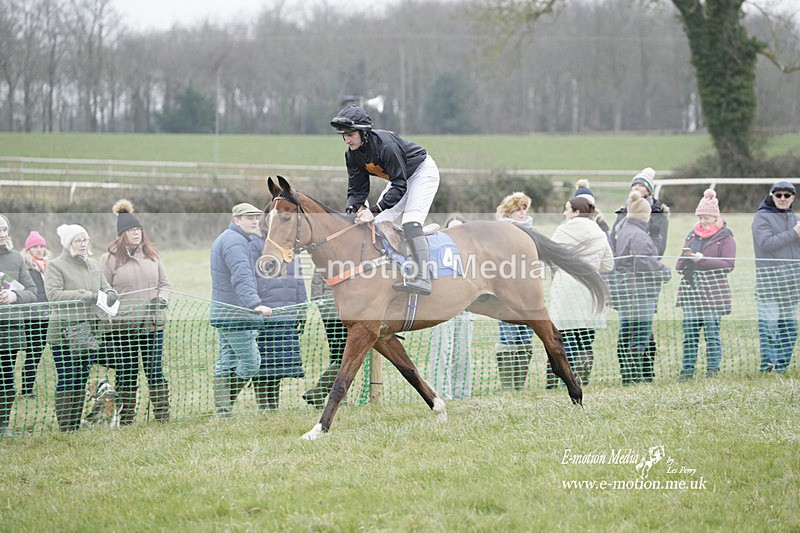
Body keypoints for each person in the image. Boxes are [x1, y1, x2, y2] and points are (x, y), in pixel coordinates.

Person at [330, 104, 440, 295]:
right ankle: (393, 271)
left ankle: (424, 277)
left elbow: (399, 186)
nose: (346, 139)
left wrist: (372, 210)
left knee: (411, 223)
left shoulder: (386, 146)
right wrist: (352, 211)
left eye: (351, 134)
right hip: (401, 179)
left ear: (364, 133)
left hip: (421, 173)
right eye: (344, 135)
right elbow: (357, 190)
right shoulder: (352, 155)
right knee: (378, 224)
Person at [100, 200, 173, 424]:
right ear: (122, 234)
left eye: (139, 229)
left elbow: (165, 284)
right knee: (127, 372)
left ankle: (162, 416)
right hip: (124, 328)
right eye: (131, 230)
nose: (137, 233)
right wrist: (107, 320)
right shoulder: (109, 259)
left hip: (152, 325)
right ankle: (126, 418)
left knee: (154, 370)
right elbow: (103, 290)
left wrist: (161, 299)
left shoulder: (153, 256)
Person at [45, 224, 118, 432]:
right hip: (64, 333)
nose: (83, 244)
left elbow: (105, 286)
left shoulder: (94, 264)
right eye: (78, 241)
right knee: (67, 377)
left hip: (89, 331)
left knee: (81, 377)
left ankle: (74, 424)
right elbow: (54, 295)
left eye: (85, 240)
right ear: (69, 244)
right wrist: (88, 295)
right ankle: (65, 426)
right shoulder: (56, 266)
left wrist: (110, 292)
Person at [210, 202, 272, 418]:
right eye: (249, 217)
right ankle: (224, 406)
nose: (255, 221)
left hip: (224, 313)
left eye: (256, 217)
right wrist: (254, 305)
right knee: (251, 362)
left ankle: (223, 412)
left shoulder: (231, 238)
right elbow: (241, 276)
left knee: (225, 362)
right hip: (236, 315)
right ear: (236, 220)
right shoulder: (235, 242)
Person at [608, 167, 669, 382]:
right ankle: (636, 378)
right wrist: (663, 272)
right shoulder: (639, 235)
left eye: (642, 185)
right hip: (640, 290)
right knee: (640, 336)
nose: (637, 188)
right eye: (635, 184)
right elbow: (644, 260)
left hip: (625, 289)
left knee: (628, 334)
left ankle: (632, 376)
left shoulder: (627, 229)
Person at [548, 197, 614, 388]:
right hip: (589, 289)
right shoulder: (598, 232)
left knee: (566, 338)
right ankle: (582, 381)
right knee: (585, 340)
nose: (564, 213)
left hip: (566, 290)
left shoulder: (562, 230)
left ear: (577, 211)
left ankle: (568, 382)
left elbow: (551, 258)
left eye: (567, 209)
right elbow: (608, 264)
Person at [676, 190, 736, 381]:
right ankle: (687, 372)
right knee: (689, 338)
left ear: (715, 216)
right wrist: (686, 260)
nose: (703, 220)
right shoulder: (692, 236)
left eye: (707, 217)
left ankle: (712, 372)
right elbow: (679, 263)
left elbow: (728, 264)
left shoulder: (726, 237)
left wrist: (702, 260)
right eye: (700, 216)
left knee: (712, 336)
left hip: (713, 296)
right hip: (691, 294)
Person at [247, 234, 307, 411]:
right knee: (263, 366)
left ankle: (273, 407)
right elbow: (252, 279)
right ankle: (263, 407)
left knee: (278, 366)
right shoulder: (256, 245)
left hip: (287, 314)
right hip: (266, 315)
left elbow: (300, 281)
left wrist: (302, 309)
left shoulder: (292, 249)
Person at [751, 181, 800, 373]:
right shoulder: (762, 217)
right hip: (770, 284)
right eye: (778, 195)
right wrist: (794, 233)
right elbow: (766, 243)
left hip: (792, 285)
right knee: (770, 328)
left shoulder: (794, 218)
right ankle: (768, 366)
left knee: (789, 329)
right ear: (772, 196)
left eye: (787, 196)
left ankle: (781, 366)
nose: (782, 199)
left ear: (792, 198)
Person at [426, 215, 473, 400]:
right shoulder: (436, 250)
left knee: (463, 354)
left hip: (465, 310)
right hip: (442, 309)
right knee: (442, 352)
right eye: (452, 229)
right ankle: (440, 394)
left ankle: (462, 394)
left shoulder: (472, 254)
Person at [0, 216, 38, 436]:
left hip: (9, 331)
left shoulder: (16, 259)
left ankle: (3, 423)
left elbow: (32, 292)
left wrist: (13, 296)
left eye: (4, 229)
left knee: (6, 381)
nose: (2, 233)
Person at [494, 192, 535, 391]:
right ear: (509, 210)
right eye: (518, 208)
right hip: (507, 293)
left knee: (526, 337)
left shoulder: (531, 231)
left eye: (524, 208)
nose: (522, 212)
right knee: (509, 336)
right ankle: (508, 386)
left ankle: (520, 384)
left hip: (528, 292)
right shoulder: (500, 231)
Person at [302, 271, 347, 408]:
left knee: (341, 356)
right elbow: (317, 283)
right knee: (344, 357)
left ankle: (337, 398)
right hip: (337, 312)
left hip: (335, 310)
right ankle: (320, 392)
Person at [20, 231, 51, 398]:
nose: (39, 249)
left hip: (48, 315)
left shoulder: (49, 266)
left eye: (42, 246)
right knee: (30, 351)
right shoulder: (25, 267)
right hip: (30, 316)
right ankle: (23, 389)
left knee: (37, 352)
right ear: (29, 249)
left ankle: (27, 388)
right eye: (35, 247)